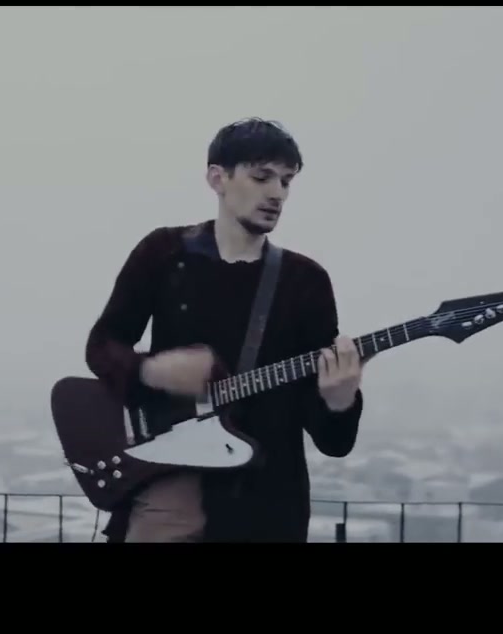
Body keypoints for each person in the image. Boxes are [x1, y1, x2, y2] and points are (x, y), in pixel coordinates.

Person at [84, 118, 365, 543]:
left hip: (264, 511)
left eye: (286, 181)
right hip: (166, 490)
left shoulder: (305, 281)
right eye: (262, 177)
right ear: (218, 178)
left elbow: (333, 442)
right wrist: (148, 370)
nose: (277, 193)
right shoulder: (164, 253)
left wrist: (340, 402)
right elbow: (102, 346)